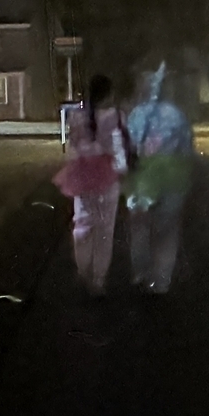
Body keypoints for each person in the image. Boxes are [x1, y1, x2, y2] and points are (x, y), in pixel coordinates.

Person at [52, 73, 130, 296]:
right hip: (107, 176)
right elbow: (118, 149)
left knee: (83, 225)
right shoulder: (116, 117)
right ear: (110, 93)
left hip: (83, 174)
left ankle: (83, 270)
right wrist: (122, 172)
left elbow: (74, 147)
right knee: (105, 230)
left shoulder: (77, 116)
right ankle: (98, 280)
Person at [124, 63, 195, 294]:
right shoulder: (178, 116)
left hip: (144, 176)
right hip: (174, 175)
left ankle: (141, 272)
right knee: (167, 230)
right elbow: (187, 149)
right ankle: (161, 280)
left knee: (140, 226)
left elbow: (128, 147)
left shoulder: (136, 115)